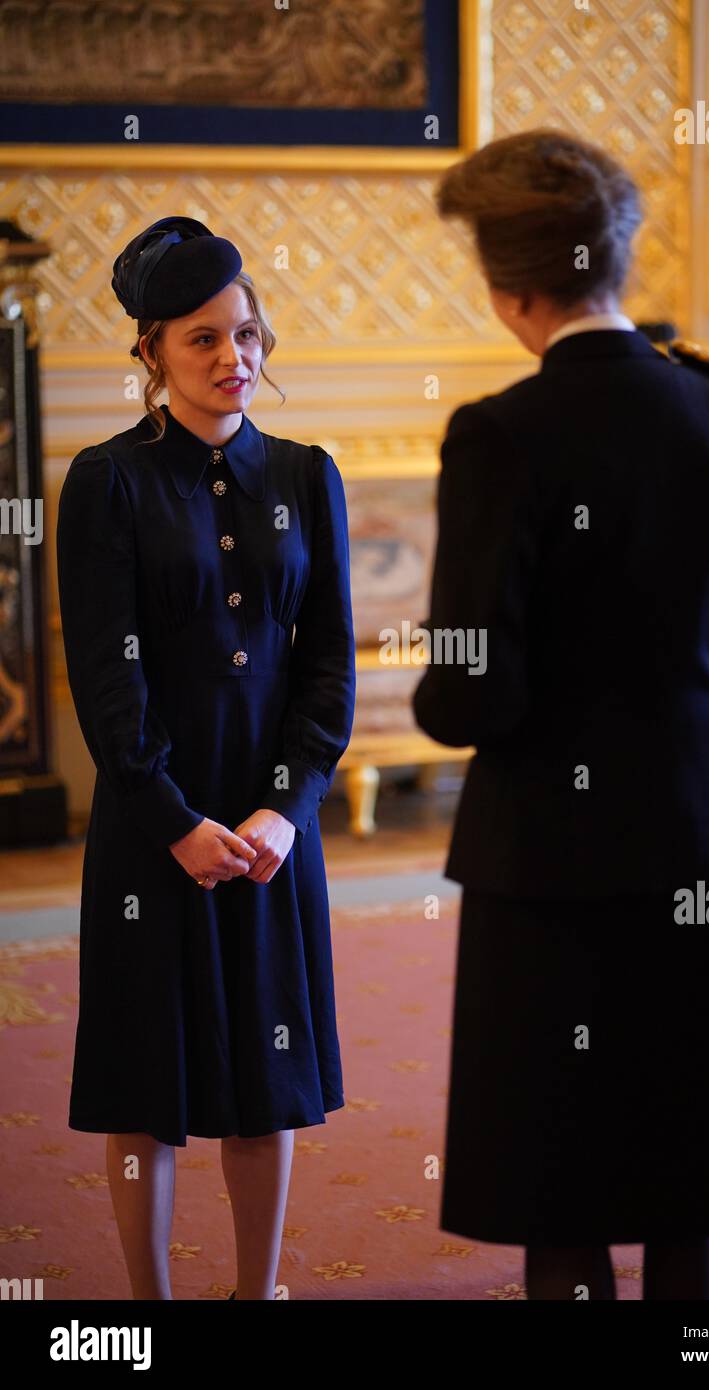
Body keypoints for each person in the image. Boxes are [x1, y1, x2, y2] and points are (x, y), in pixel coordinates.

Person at [412, 129, 709, 1301]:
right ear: (618, 261)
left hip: (556, 851)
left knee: (566, 1178)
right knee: (689, 1165)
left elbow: (470, 690)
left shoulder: (498, 432)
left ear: (508, 289)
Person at [56, 217, 355, 1300]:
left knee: (264, 1075)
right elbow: (106, 681)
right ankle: (148, 1305)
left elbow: (328, 667)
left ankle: (256, 1289)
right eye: (202, 340)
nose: (236, 358)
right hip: (155, 828)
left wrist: (288, 809)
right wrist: (173, 820)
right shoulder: (106, 483)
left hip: (271, 827)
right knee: (149, 1080)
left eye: (247, 334)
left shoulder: (308, 473)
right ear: (150, 354)